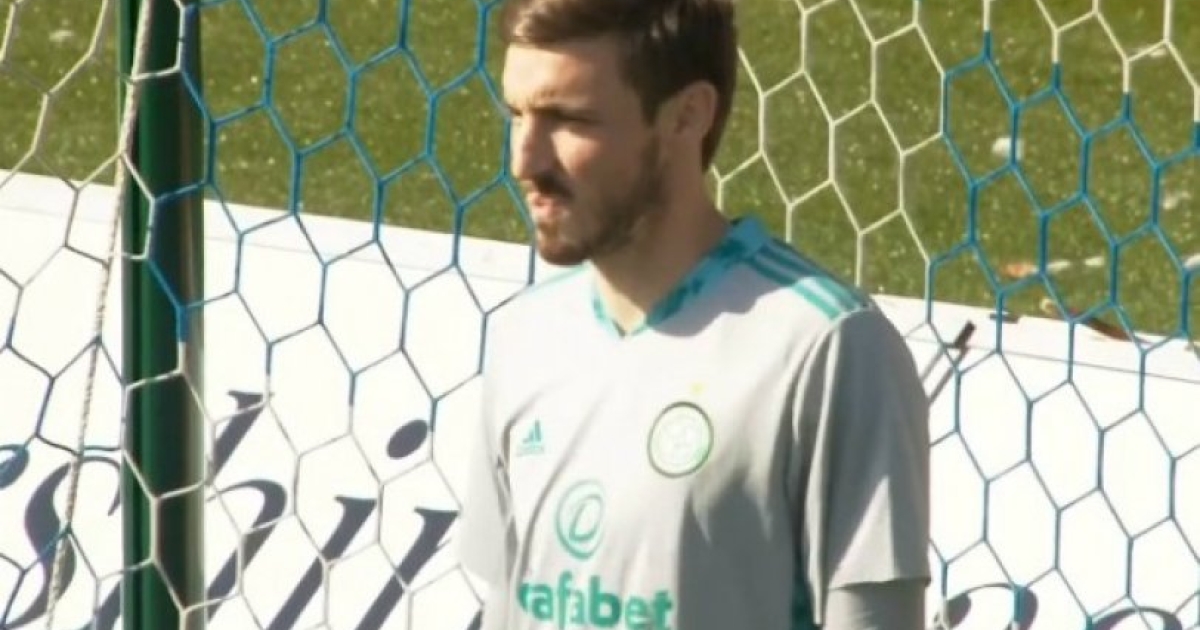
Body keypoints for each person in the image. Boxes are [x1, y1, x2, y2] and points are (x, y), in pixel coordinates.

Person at [456, 0, 932, 628]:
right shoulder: (528, 336)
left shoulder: (825, 348)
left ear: (688, 115)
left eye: (570, 120)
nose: (526, 161)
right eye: (516, 115)